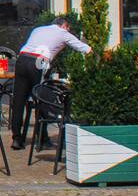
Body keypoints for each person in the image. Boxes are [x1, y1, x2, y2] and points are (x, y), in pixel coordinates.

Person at [10, 16, 91, 150]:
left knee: (19, 100)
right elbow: (82, 48)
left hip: (22, 59)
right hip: (38, 61)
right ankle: (42, 138)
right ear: (64, 26)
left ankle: (17, 139)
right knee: (40, 98)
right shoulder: (63, 33)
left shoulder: (38, 29)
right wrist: (93, 53)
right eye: (68, 28)